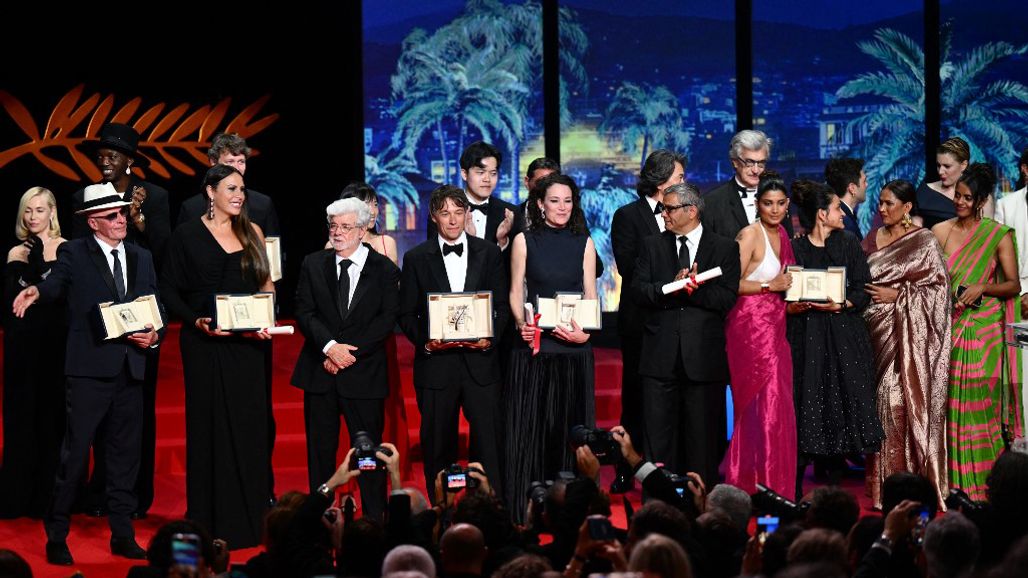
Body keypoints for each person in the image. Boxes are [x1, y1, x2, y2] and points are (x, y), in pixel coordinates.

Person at [12, 182, 163, 565]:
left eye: (123, 213)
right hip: (88, 372)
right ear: (94, 222)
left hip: (131, 369)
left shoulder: (141, 256)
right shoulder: (74, 253)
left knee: (124, 457)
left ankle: (122, 534)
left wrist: (153, 334)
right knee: (75, 456)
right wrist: (36, 293)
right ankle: (57, 535)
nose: (121, 220)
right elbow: (57, 284)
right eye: (113, 215)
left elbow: (152, 304)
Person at [159, 164, 274, 548]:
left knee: (251, 430)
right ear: (210, 192)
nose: (240, 195)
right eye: (231, 188)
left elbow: (267, 287)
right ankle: (211, 523)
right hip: (205, 345)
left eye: (242, 188)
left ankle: (252, 521)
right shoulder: (186, 235)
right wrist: (196, 322)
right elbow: (169, 291)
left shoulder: (253, 231)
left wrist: (264, 320)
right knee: (209, 431)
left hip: (249, 347)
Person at [72, 122, 171, 518]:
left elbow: (167, 254)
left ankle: (134, 497)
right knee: (97, 412)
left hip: (142, 318)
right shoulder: (85, 197)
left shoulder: (155, 197)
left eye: (113, 156)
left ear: (130, 161)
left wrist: (140, 218)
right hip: (99, 321)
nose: (105, 161)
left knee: (136, 415)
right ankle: (97, 493)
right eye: (101, 156)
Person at [292, 197, 400, 522]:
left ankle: (374, 524)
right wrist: (329, 348)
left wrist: (345, 352)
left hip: (364, 375)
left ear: (364, 228)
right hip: (320, 374)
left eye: (346, 226)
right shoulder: (313, 263)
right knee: (320, 456)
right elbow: (303, 311)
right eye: (333, 226)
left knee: (369, 458)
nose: (337, 233)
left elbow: (386, 320)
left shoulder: (385, 270)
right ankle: (319, 524)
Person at [399, 185, 508, 498]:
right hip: (437, 367)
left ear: (467, 214)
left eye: (459, 212)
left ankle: (490, 509)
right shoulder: (416, 258)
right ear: (434, 217)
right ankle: (439, 514)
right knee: (437, 445)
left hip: (482, 365)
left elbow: (500, 307)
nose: (453, 220)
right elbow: (405, 313)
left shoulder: (488, 253)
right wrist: (426, 343)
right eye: (445, 213)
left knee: (488, 444)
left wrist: (490, 338)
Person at [632, 182, 741, 488]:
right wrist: (672, 286)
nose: (663, 214)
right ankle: (657, 507)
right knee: (658, 441)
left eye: (668, 208)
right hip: (659, 357)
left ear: (691, 211)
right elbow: (639, 291)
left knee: (703, 441)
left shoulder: (724, 247)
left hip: (703, 359)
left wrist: (693, 291)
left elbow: (726, 299)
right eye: (662, 208)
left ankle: (700, 508)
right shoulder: (652, 245)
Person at [503, 173, 598, 519]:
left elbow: (591, 293)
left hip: (574, 351)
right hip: (535, 351)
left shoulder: (584, 241)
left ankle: (571, 512)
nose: (561, 207)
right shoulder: (524, 241)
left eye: (568, 201)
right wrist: (521, 324)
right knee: (531, 434)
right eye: (554, 200)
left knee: (571, 435)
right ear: (540, 203)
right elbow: (516, 291)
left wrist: (585, 334)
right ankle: (527, 513)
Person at [932, 162, 1024, 502]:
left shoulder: (998, 235)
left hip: (984, 331)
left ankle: (986, 485)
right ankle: (955, 483)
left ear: (982, 200)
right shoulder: (940, 230)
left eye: (967, 198)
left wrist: (983, 287)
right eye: (957, 195)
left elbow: (1012, 285)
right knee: (953, 404)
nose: (959, 202)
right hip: (951, 327)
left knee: (981, 404)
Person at [787, 180, 882, 497]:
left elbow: (862, 289)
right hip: (806, 335)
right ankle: (797, 486)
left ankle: (836, 487)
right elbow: (782, 291)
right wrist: (793, 306)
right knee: (807, 401)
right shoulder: (795, 247)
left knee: (841, 402)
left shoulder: (849, 243)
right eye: (836, 208)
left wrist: (844, 304)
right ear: (820, 215)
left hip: (843, 335)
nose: (842, 212)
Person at [862, 180, 951, 510]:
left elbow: (939, 292)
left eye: (889, 203)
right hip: (875, 333)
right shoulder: (873, 237)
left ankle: (909, 483)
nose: (882, 208)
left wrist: (899, 296)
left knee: (896, 400)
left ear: (907, 207)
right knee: (878, 407)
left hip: (909, 338)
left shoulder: (924, 240)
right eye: (880, 202)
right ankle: (880, 489)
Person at [609, 149, 686, 493]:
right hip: (641, 320)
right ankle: (627, 467)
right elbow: (627, 266)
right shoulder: (628, 216)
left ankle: (670, 466)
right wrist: (669, 280)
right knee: (636, 396)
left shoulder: (686, 214)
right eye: (679, 178)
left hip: (676, 320)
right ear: (660, 180)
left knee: (674, 396)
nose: (684, 183)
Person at [722, 174, 796, 496]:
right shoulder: (749, 235)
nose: (775, 209)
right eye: (768, 203)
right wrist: (769, 286)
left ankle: (774, 484)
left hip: (777, 328)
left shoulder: (784, 234)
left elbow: (788, 283)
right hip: (749, 330)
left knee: (778, 408)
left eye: (780, 203)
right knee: (758, 407)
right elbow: (730, 284)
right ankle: (748, 484)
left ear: (788, 205)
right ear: (757, 204)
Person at [0, 187, 67, 520]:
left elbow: (63, 298)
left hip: (55, 346)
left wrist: (38, 256)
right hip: (21, 347)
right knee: (20, 418)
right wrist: (21, 260)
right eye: (28, 211)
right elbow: (9, 303)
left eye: (40, 210)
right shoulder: (15, 252)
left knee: (51, 419)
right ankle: (16, 495)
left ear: (52, 212)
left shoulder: (68, 250)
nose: (33, 217)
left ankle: (48, 497)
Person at [336, 181, 410, 479]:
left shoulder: (386, 243)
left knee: (384, 401)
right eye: (365, 204)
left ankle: (386, 461)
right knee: (348, 404)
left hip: (379, 336)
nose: (372, 210)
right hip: (345, 339)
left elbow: (393, 289)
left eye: (375, 205)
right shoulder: (333, 245)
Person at [175, 132, 281, 236]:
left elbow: (272, 248)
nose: (236, 168)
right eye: (230, 161)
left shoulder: (263, 204)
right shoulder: (191, 208)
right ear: (213, 163)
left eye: (241, 161)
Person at [427, 141, 523, 251]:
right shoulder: (442, 211)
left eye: (493, 173)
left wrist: (502, 241)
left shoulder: (510, 214)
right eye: (480, 172)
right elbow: (432, 258)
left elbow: (516, 263)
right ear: (464, 174)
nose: (487, 179)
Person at [703, 129, 791, 239]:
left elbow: (788, 244)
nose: (755, 170)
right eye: (749, 162)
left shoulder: (779, 198)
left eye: (761, 163)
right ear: (734, 162)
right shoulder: (712, 202)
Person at [993, 147, 1028, 423]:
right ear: (1025, 169)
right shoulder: (1006, 205)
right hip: (1015, 300)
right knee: (1019, 377)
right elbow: (996, 264)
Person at [917, 137, 984, 229]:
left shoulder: (978, 194)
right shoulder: (924, 192)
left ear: (963, 165)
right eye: (938, 165)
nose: (940, 171)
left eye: (947, 166)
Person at [824, 158, 867, 240]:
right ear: (852, 188)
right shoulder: (843, 222)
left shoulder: (845, 217)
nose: (867, 185)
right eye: (864, 181)